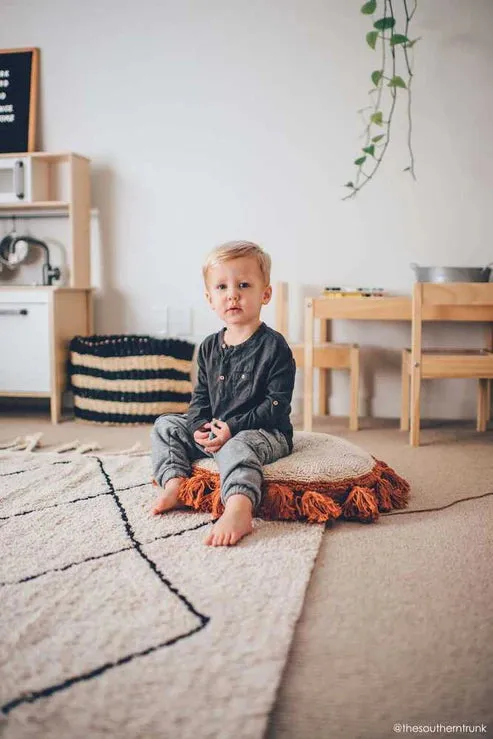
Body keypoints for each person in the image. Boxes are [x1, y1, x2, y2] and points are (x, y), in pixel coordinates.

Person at [151, 240, 296, 547]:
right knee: (165, 425)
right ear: (210, 298)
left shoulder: (274, 346)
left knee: (236, 445)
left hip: (263, 432)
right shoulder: (208, 347)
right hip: (216, 430)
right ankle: (176, 482)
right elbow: (200, 398)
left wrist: (233, 428)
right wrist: (198, 427)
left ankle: (239, 505)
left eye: (244, 284)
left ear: (265, 294)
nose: (232, 294)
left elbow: (277, 405)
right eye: (221, 287)